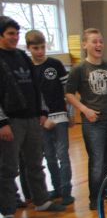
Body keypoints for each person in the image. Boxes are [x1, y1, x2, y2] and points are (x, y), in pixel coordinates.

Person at [0, 16, 65, 218]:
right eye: (10, 34)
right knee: (8, 168)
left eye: (17, 34)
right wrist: (2, 123)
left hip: (31, 119)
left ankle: (41, 200)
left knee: (35, 163)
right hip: (11, 121)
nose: (15, 37)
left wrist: (42, 111)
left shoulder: (21, 56)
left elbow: (35, 88)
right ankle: (8, 210)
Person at [65, 28, 107, 211]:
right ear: (85, 45)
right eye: (94, 41)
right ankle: (95, 197)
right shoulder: (79, 69)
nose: (98, 45)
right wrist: (84, 109)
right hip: (94, 123)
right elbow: (69, 94)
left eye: (101, 41)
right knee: (97, 162)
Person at [26, 29, 73, 205]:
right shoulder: (28, 68)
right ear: (28, 48)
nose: (40, 51)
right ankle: (57, 188)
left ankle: (67, 191)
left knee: (63, 155)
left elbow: (67, 90)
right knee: (50, 157)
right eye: (35, 48)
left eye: (42, 47)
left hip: (60, 116)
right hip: (41, 120)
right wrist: (41, 117)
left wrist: (70, 113)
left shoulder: (55, 64)